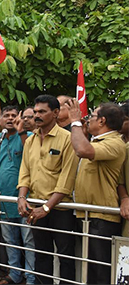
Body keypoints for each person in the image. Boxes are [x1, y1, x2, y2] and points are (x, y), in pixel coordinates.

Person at [17, 94, 79, 284]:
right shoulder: (30, 140)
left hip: (60, 209)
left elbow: (67, 179)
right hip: (35, 207)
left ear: (55, 113)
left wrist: (46, 207)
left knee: (65, 256)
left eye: (42, 112)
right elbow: (25, 171)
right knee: (41, 255)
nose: (37, 115)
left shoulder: (68, 139)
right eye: (35, 111)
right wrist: (21, 197)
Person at [66, 100, 126, 284]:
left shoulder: (114, 142)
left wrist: (75, 122)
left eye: (91, 116)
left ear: (102, 121)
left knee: (100, 272)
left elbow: (83, 150)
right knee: (89, 269)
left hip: (102, 217)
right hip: (88, 215)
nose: (87, 119)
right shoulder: (99, 141)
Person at [0, 106, 35, 285]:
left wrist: (21, 130)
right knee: (9, 240)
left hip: (26, 199)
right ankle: (14, 273)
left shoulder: (28, 138)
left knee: (29, 240)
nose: (11, 118)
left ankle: (31, 277)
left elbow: (28, 154)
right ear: (0, 119)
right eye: (7, 115)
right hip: (4, 200)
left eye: (14, 115)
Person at [119, 101, 129, 237]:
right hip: (122, 209)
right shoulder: (118, 143)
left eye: (124, 119)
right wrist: (124, 198)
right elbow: (119, 179)